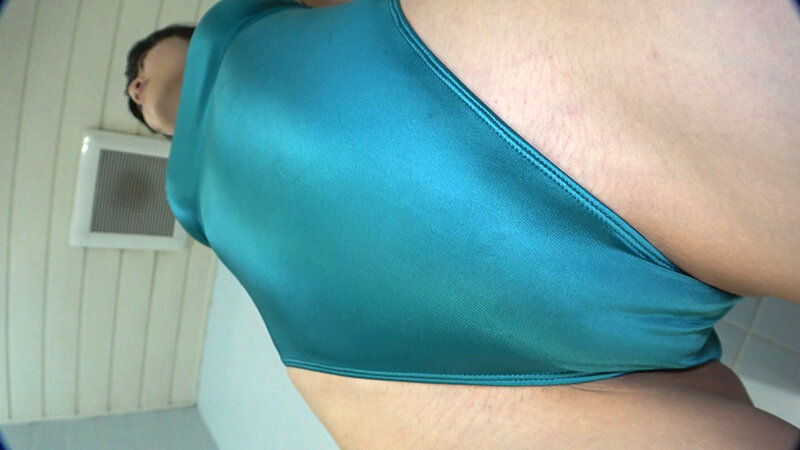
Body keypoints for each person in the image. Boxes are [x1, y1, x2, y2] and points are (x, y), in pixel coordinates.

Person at [126, 0, 800, 447]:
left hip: (468, 86)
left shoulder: (237, 21)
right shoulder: (194, 200)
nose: (134, 86)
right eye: (134, 99)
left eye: (139, 63)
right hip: (372, 366)